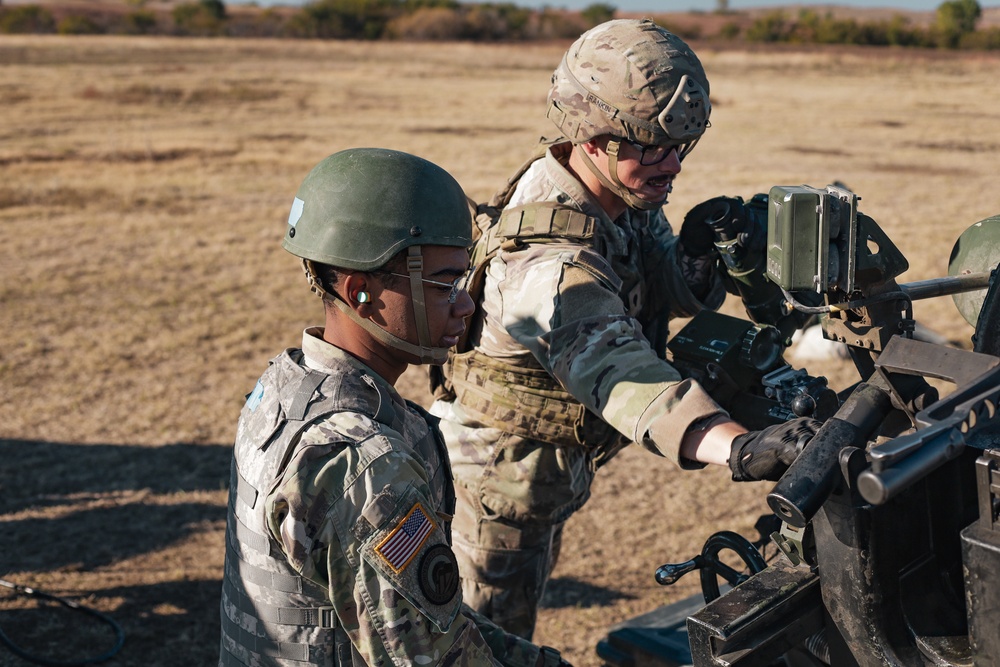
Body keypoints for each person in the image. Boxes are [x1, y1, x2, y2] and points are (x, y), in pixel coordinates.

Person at [429, 19, 820, 639]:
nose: (672, 167)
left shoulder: (616, 191)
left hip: (544, 469)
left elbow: (654, 281)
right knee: (482, 644)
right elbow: (621, 373)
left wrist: (694, 255)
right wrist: (738, 449)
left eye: (681, 147)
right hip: (497, 486)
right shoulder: (547, 259)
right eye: (653, 147)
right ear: (591, 137)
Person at [218, 148, 569, 667]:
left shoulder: (284, 387)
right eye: (443, 283)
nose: (466, 302)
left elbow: (431, 621)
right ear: (361, 292)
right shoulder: (367, 466)